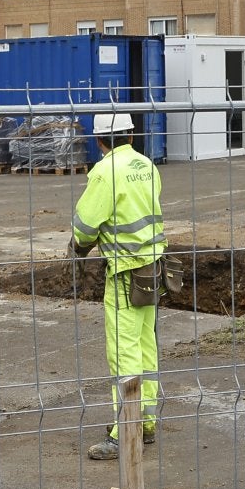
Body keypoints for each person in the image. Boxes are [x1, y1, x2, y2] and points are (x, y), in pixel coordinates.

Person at [70, 112, 166, 460]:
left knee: (124, 353)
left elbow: (85, 226)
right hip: (153, 270)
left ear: (99, 143)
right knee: (145, 347)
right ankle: (147, 422)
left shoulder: (105, 172)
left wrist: (79, 247)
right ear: (131, 135)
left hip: (124, 273)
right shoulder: (147, 166)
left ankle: (125, 430)